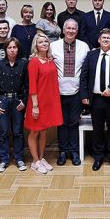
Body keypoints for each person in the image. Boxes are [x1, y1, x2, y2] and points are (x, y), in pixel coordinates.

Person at [80, 28, 110, 171]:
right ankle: (98, 157)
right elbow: (84, 76)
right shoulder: (91, 55)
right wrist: (84, 95)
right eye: (103, 38)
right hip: (96, 99)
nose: (106, 40)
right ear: (99, 40)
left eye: (109, 38)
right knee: (97, 130)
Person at [51, 19, 89, 166]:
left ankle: (74, 152)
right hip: (57, 92)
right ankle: (62, 152)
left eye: (74, 28)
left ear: (77, 31)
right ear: (63, 29)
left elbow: (87, 71)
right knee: (61, 123)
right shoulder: (53, 46)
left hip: (76, 91)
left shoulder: (84, 46)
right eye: (68, 28)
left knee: (73, 122)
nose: (71, 31)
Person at [24, 33, 63, 174]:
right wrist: (35, 106)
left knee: (44, 131)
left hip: (49, 102)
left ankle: (41, 158)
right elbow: (32, 86)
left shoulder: (50, 60)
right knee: (34, 131)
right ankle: (35, 161)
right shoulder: (34, 62)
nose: (44, 44)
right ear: (36, 45)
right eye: (41, 42)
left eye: (46, 41)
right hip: (37, 102)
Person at [0, 38, 28, 173]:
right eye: (9, 48)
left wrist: (24, 101)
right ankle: (4, 160)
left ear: (18, 49)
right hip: (3, 101)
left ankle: (19, 158)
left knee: (18, 131)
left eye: (14, 47)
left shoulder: (23, 64)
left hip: (18, 102)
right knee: (4, 132)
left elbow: (26, 85)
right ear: (5, 50)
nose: (12, 50)